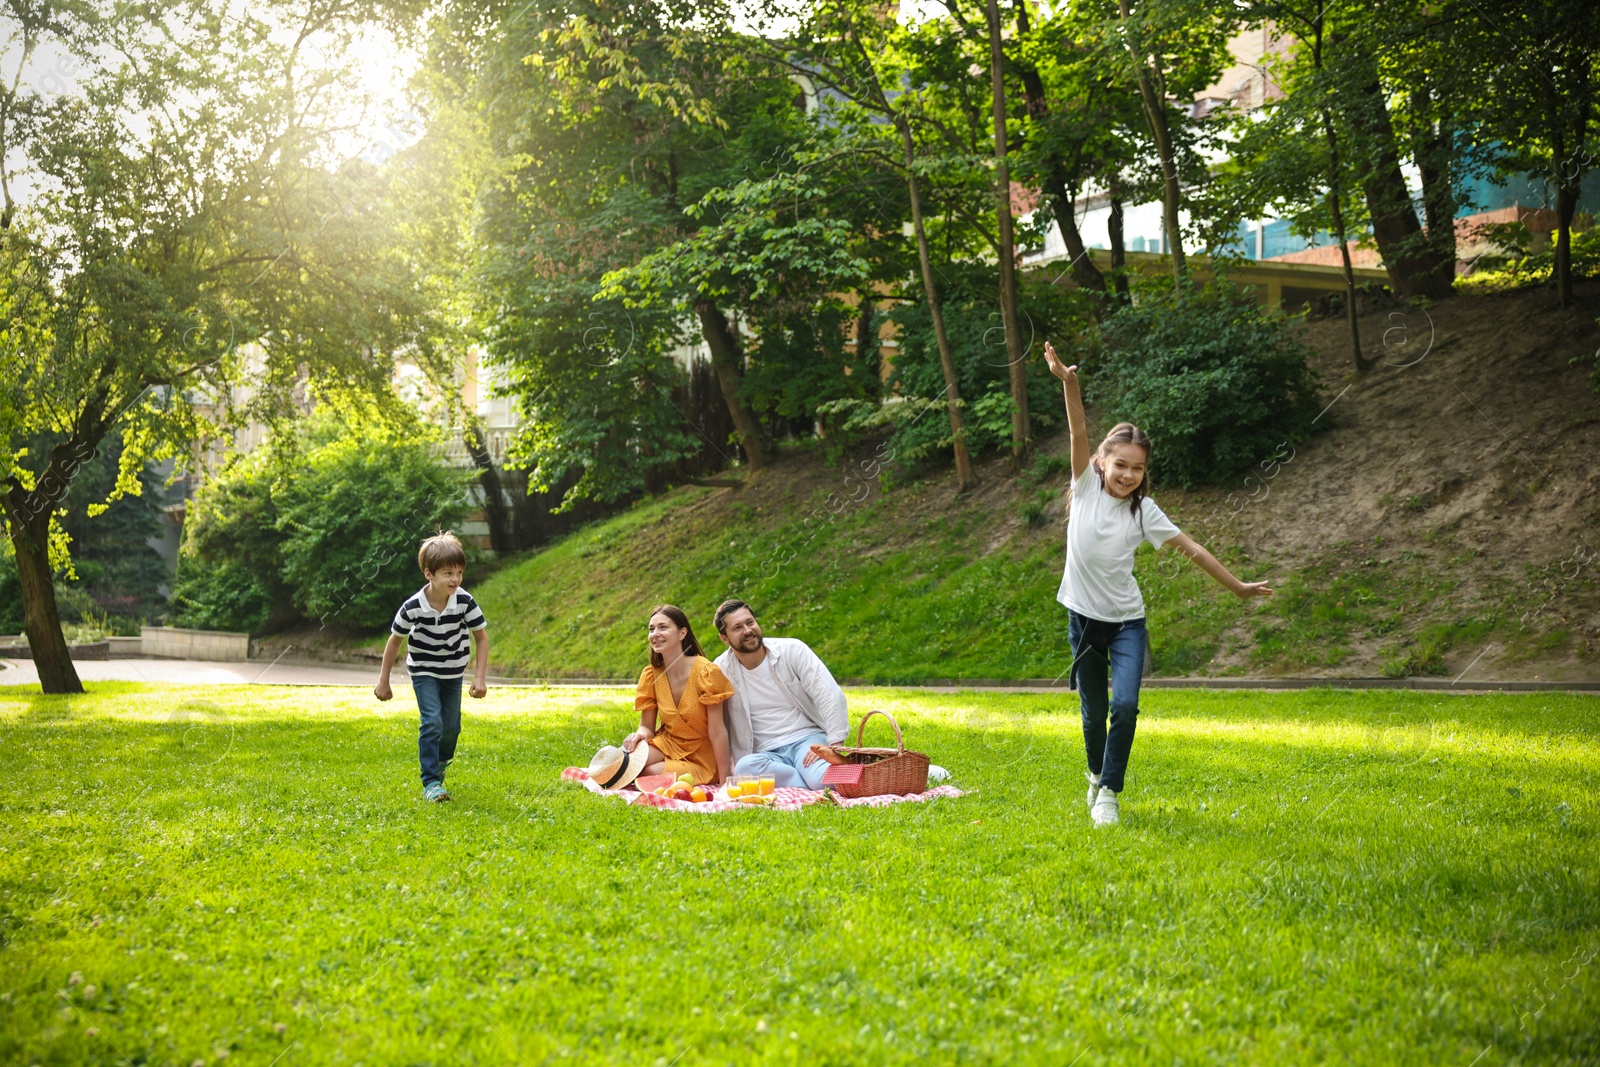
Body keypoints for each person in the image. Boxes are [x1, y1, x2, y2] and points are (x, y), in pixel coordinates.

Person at [1043, 342, 1273, 827]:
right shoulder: (1083, 487)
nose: (1128, 474)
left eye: (1138, 467)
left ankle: (1109, 791)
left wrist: (1238, 587)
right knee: (1093, 711)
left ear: (1145, 473)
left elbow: (1193, 550)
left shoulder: (1144, 511)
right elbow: (1078, 427)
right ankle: (1094, 772)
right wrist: (1069, 381)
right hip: (1083, 620)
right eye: (1121, 464)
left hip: (1127, 622)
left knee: (1124, 705)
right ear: (1102, 462)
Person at [375, 531, 489, 803]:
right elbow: (394, 642)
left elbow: (481, 638)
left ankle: (438, 766)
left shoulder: (464, 601)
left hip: (453, 671)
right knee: (432, 721)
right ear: (429, 574)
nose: (455, 579)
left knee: (451, 728)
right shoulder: (413, 606)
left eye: (459, 572)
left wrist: (480, 677)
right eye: (448, 573)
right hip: (424, 670)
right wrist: (384, 680)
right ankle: (430, 782)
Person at [712, 599, 850, 790]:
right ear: (724, 638)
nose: (747, 630)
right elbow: (719, 724)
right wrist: (724, 773)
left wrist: (835, 746)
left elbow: (829, 694)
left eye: (750, 622)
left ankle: (801, 783)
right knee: (744, 768)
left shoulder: (793, 650)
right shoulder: (720, 670)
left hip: (807, 741)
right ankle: (805, 783)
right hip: (765, 755)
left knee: (826, 782)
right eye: (737, 628)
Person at [622, 605, 734, 785]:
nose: (655, 634)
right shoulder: (651, 674)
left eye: (663, 627)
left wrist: (725, 779)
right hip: (668, 743)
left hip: (701, 756)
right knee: (625, 763)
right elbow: (647, 727)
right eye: (652, 629)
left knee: (647, 773)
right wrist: (640, 735)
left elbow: (717, 731)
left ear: (682, 633)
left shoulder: (707, 673)